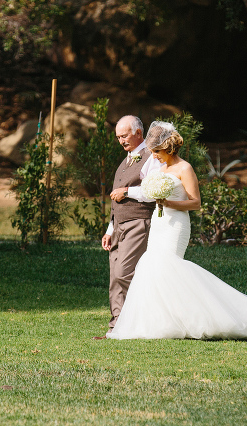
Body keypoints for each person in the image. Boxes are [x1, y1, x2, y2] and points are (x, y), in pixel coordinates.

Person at [108, 121, 247, 341]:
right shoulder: (160, 169)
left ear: (167, 148)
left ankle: (212, 315)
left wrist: (170, 203)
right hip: (159, 225)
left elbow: (195, 203)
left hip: (176, 225)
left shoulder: (185, 168)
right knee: (152, 268)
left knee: (170, 267)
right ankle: (162, 322)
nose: (153, 156)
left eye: (156, 151)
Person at [99, 115, 161, 334]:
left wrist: (127, 191)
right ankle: (117, 326)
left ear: (138, 133)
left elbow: (154, 192)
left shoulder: (151, 157)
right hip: (118, 227)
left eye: (124, 135)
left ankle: (141, 319)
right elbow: (115, 202)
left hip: (138, 222)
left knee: (124, 273)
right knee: (114, 278)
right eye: (118, 137)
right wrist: (109, 230)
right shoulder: (125, 160)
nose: (121, 141)